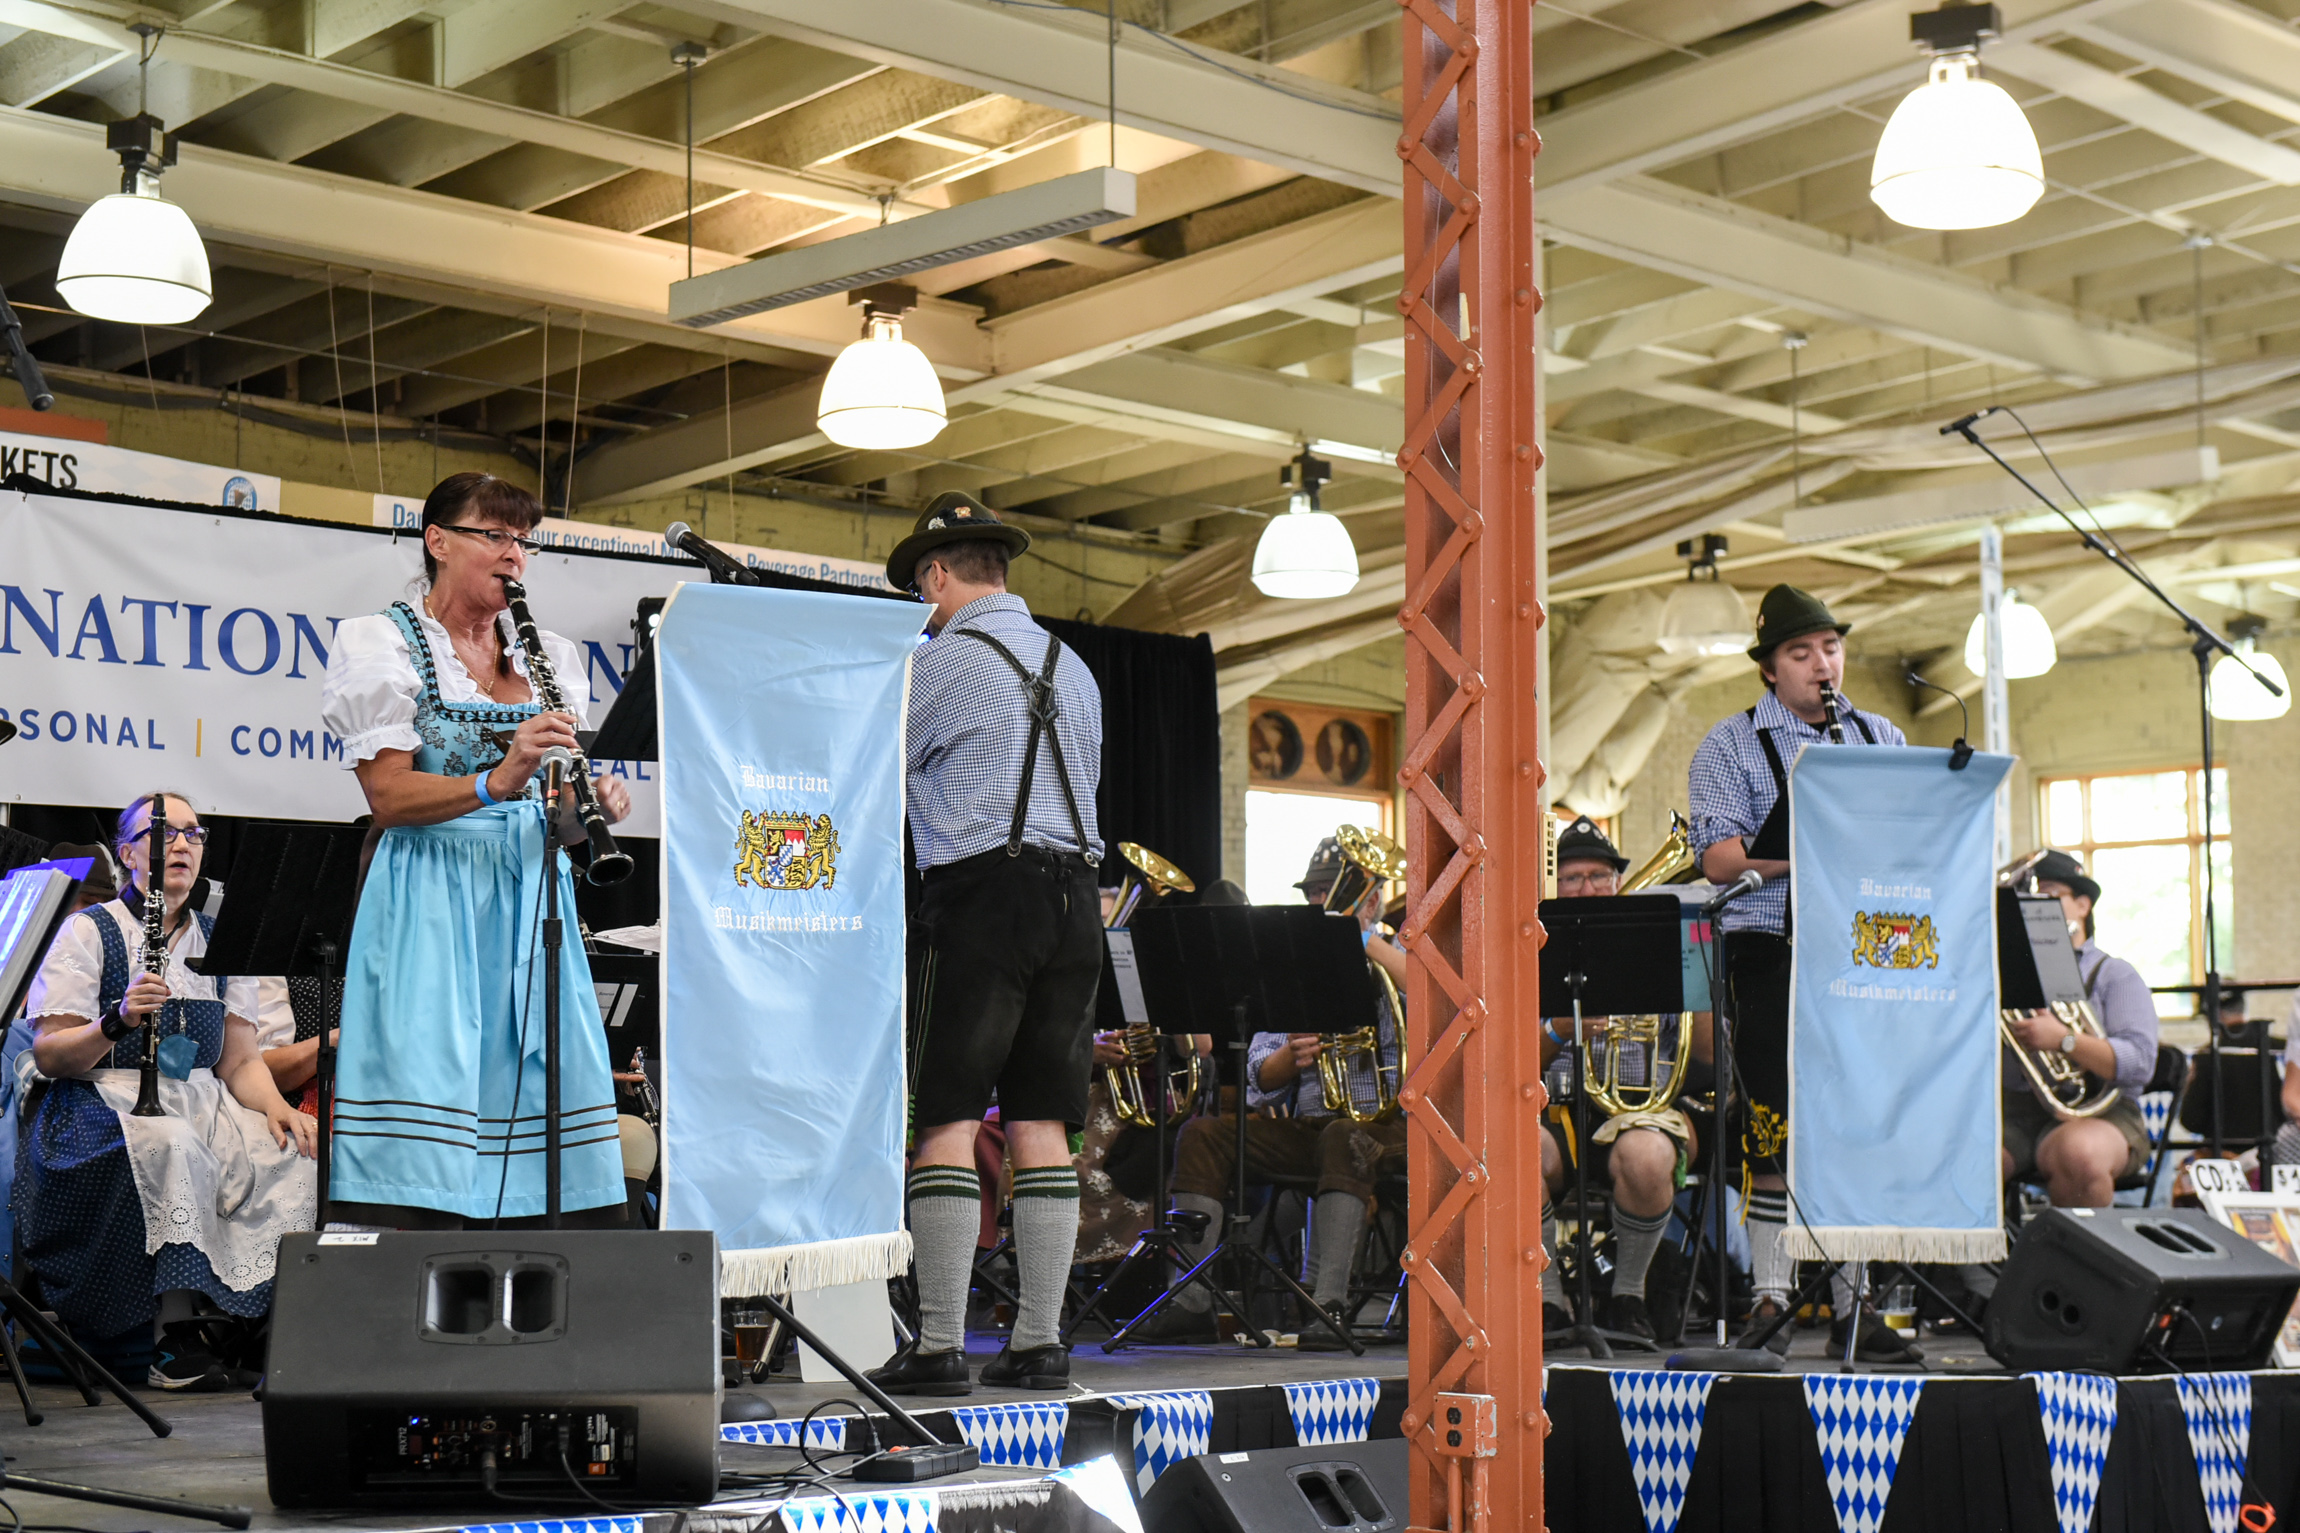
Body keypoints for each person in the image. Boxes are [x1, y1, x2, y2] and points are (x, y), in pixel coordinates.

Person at [317, 471, 633, 1229]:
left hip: (530, 898)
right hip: (431, 894)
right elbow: (389, 797)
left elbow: (556, 821)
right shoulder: (382, 641)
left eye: (523, 540)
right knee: (429, 1085)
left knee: (541, 1094)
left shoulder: (549, 656)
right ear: (438, 541)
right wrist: (497, 779)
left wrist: (584, 811)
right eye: (494, 534)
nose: (514, 553)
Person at [871, 493, 1105, 1396]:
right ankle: (1040, 1341)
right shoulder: (1074, 667)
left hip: (981, 897)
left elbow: (873, 772)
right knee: (1043, 1122)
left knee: (948, 1116)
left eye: (919, 590)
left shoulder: (939, 664)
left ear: (936, 575)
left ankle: (938, 1343)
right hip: (1075, 901)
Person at [1686, 584, 1919, 1363]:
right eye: (1800, 652)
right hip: (1770, 950)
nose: (1822, 664)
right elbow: (1720, 860)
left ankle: (1856, 1306)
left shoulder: (1880, 734)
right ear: (1770, 668)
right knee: (1774, 1127)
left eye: (1830, 647)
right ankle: (1771, 1297)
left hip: (1864, 949)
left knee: (1855, 1128)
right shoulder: (1730, 744)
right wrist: (1813, 848)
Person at [14, 794, 317, 1390]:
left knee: (292, 1154)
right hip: (101, 1099)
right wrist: (117, 1020)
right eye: (163, 834)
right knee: (172, 1144)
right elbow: (51, 1055)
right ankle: (171, 1338)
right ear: (128, 854)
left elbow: (239, 1060)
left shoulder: (220, 940)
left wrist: (279, 1108)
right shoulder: (90, 930)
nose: (182, 845)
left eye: (194, 834)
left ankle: (270, 1333)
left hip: (204, 1099)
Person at [1139, 838, 1407, 1351]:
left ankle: (1327, 1306)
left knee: (1344, 1136)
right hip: (1313, 1127)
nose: (1319, 902)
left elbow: (1434, 996)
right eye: (1314, 893)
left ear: (1372, 899)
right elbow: (1259, 1074)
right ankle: (1191, 1302)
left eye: (1329, 891)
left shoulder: (1398, 951)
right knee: (1203, 1134)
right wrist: (1288, 1056)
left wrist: (1363, 940)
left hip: (1391, 1127)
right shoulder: (1298, 962)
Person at [1536, 816, 1707, 1343]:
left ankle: (1628, 1294)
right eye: (1572, 878)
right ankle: (1546, 1299)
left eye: (1599, 876)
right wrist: (1559, 1030)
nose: (1587, 889)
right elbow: (1507, 1062)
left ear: (1617, 882)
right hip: (1557, 1111)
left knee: (1648, 1156)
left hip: (1642, 1111)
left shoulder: (1656, 945)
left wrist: (1695, 974)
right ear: (1554, 887)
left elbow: (1707, 1055)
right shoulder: (1532, 949)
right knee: (1511, 1150)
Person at [2002, 850, 2159, 1207]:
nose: (2033, 905)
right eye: (2025, 897)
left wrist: (2064, 1040)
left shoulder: (2115, 974)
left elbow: (2140, 1063)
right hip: (2018, 1111)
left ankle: (2078, 1248)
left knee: (2078, 1154)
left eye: (2048, 893)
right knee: (1963, 1159)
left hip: (2106, 1111)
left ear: (2083, 905)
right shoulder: (2006, 972)